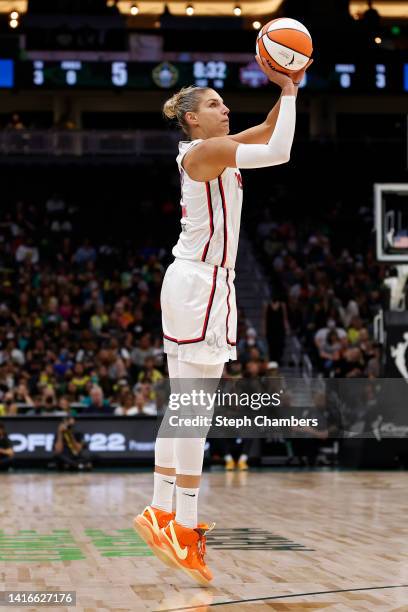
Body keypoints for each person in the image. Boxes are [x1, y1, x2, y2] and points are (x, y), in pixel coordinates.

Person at [133, 55, 312, 584]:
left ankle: (160, 511)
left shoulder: (210, 149)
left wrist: (288, 89)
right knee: (195, 411)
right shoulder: (209, 150)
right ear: (192, 118)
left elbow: (265, 129)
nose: (226, 108)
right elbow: (279, 150)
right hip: (202, 285)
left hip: (194, 282)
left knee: (182, 405)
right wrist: (292, 91)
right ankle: (183, 527)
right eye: (214, 104)